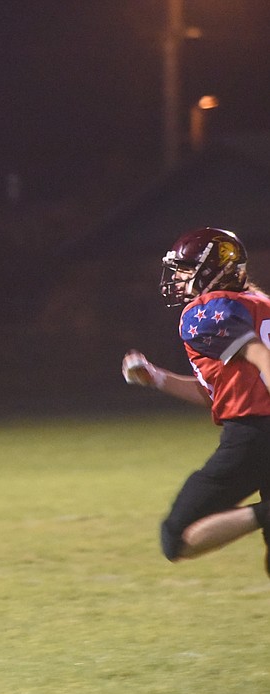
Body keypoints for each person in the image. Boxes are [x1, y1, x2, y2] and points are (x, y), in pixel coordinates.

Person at [122, 227, 270, 575]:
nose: (178, 278)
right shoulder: (261, 305)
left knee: (176, 538)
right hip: (255, 426)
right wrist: (157, 378)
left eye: (187, 269)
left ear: (213, 270)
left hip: (253, 437)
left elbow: (260, 358)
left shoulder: (205, 311)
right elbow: (217, 395)